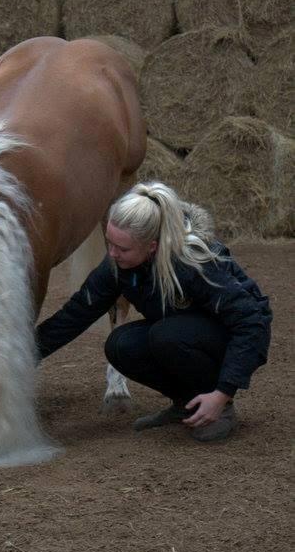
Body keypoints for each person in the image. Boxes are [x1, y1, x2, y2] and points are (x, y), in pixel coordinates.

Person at [36, 181, 272, 442]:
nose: (112, 254)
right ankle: (187, 402)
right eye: (109, 244)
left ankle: (219, 408)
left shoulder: (193, 262)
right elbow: (77, 313)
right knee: (120, 345)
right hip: (183, 332)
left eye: (122, 248)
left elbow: (251, 321)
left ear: (152, 246)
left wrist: (222, 393)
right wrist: (23, 354)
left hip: (227, 336)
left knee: (166, 335)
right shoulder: (119, 263)